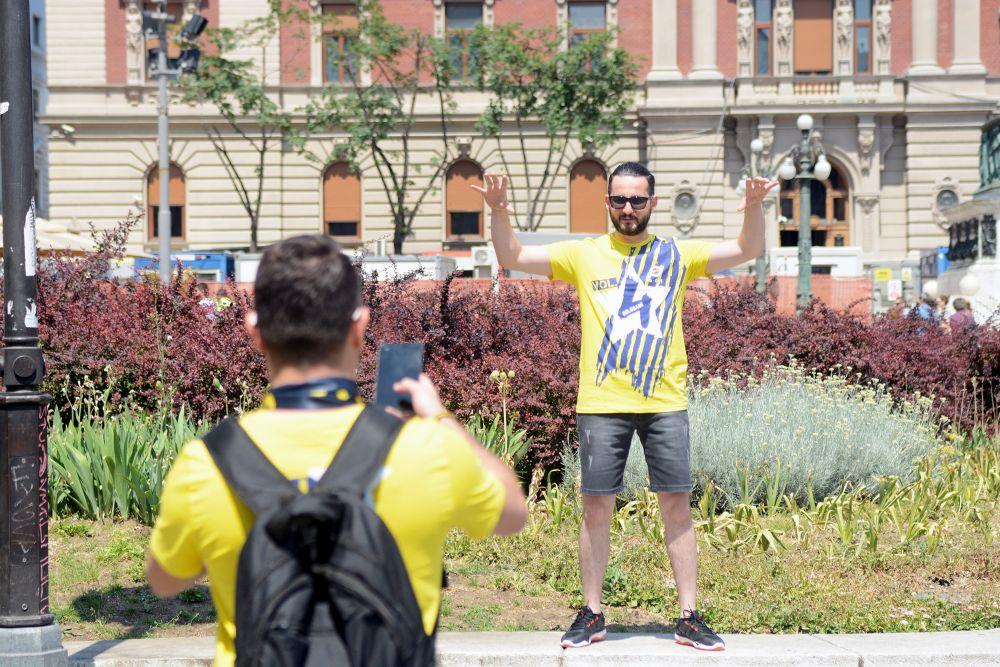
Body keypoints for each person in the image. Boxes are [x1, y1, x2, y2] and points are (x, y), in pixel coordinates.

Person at [145, 235, 527, 666]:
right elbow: (512, 513)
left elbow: (164, 579)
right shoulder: (426, 448)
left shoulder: (208, 462)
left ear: (255, 332)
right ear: (359, 327)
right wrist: (441, 418)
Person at [473, 162, 778, 652]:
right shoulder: (584, 254)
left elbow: (747, 249)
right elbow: (510, 254)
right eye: (619, 200)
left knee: (676, 507)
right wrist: (500, 211)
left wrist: (754, 207)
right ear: (607, 203)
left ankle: (689, 616)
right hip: (601, 403)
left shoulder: (676, 254)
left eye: (638, 200)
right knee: (596, 508)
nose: (628, 208)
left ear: (653, 203)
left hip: (665, 401)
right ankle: (592, 614)